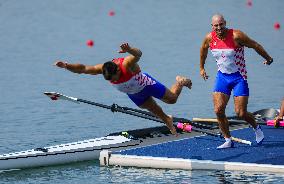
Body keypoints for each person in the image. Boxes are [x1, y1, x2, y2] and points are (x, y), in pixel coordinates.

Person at [54, 43, 192, 136]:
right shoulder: (102, 69)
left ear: (118, 70)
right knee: (153, 109)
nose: (113, 81)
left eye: (114, 78)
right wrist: (67, 66)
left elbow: (138, 54)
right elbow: (82, 69)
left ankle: (179, 82)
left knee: (172, 100)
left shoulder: (126, 64)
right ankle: (167, 120)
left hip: (146, 84)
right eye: (110, 80)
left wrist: (130, 49)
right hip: (134, 94)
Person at [199, 14, 273, 149]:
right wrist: (202, 68)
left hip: (239, 77)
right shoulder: (209, 38)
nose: (219, 27)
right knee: (218, 110)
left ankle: (256, 128)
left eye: (221, 24)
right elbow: (203, 50)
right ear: (212, 26)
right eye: (216, 25)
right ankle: (228, 139)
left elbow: (255, 45)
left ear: (225, 23)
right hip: (222, 77)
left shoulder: (236, 36)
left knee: (241, 113)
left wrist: (268, 58)